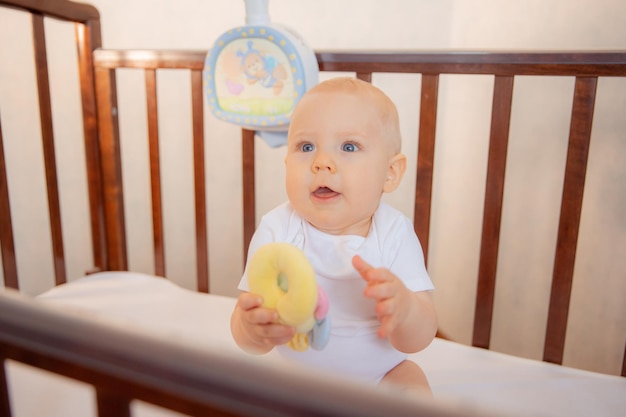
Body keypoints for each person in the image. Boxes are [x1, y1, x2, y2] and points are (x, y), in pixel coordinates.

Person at [230, 77, 437, 390]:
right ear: (287, 163)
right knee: (252, 391)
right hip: (296, 379)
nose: (321, 163)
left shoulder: (394, 233)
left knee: (411, 382)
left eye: (349, 146)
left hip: (380, 376)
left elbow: (418, 340)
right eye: (306, 146)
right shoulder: (278, 228)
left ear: (390, 173)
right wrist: (251, 330)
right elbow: (249, 332)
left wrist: (406, 308)